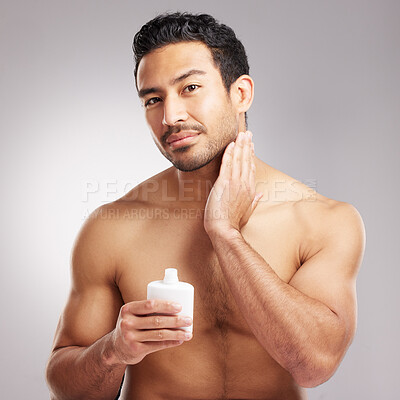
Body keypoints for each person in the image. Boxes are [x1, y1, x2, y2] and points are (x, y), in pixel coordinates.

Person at [46, 12, 365, 400]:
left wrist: (226, 234)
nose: (171, 116)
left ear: (241, 93)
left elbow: (315, 365)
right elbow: (67, 387)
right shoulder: (113, 227)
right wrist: (114, 350)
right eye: (153, 99)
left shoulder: (322, 220)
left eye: (191, 87)